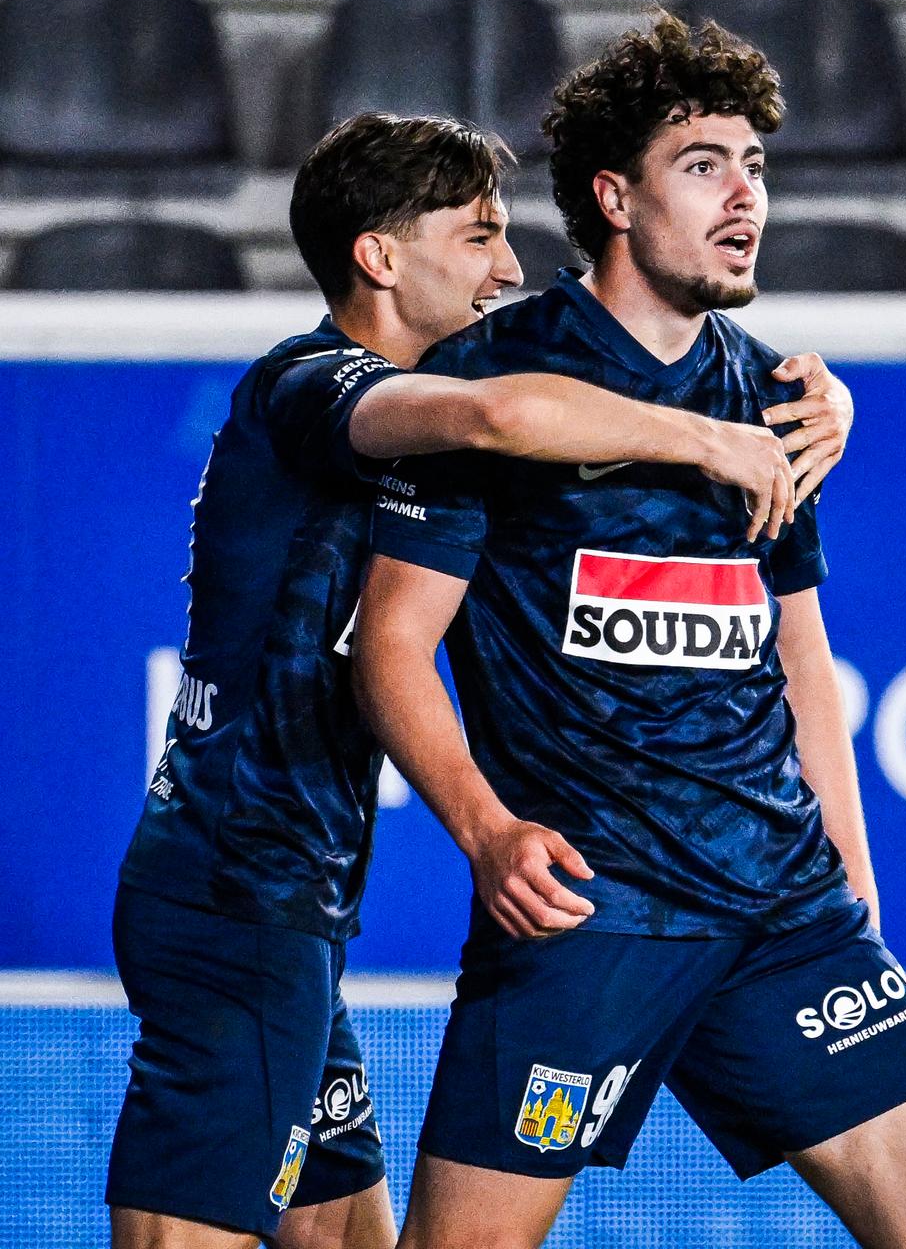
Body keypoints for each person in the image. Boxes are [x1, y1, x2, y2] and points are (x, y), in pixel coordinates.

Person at [107, 111, 857, 1249]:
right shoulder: (318, 386)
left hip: (288, 903)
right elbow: (505, 411)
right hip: (233, 901)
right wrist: (712, 439)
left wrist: (805, 403)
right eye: (477, 237)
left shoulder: (403, 417)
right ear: (380, 256)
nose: (509, 269)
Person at [354, 14, 906, 1249]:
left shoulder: (782, 397)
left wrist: (851, 888)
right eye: (703, 163)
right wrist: (486, 831)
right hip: (590, 916)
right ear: (614, 195)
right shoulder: (495, 384)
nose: (744, 193)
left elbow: (800, 654)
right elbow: (392, 645)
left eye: (755, 163)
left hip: (783, 912)